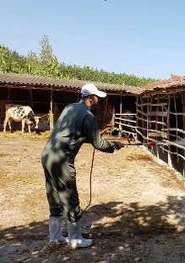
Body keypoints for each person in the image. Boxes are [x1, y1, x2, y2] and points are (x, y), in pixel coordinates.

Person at [41, 83, 124, 249]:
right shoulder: (88, 116)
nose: (98, 101)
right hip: (62, 160)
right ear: (90, 98)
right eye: (97, 98)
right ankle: (76, 239)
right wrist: (113, 146)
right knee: (70, 198)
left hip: (47, 156)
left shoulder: (69, 108)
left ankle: (55, 237)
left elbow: (73, 133)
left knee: (55, 197)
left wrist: (106, 141)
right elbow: (99, 144)